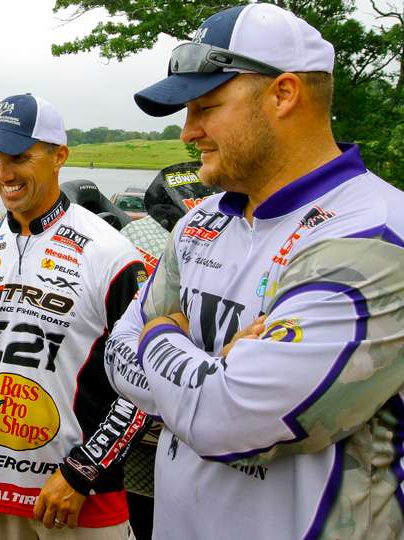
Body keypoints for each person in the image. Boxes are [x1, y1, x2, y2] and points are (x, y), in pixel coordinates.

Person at [105, 4, 404, 539]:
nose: (187, 132)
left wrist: (159, 335)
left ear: (283, 94)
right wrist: (206, 372)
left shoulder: (376, 237)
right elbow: (115, 356)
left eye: (206, 106)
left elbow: (228, 417)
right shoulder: (199, 223)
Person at [0, 93, 145, 539]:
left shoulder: (109, 252)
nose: (3, 173)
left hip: (79, 499)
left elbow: (143, 385)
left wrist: (83, 472)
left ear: (59, 156)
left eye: (19, 157)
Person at [114, 163, 220, 540]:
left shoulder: (135, 232)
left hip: (152, 422)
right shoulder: (145, 235)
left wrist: (160, 329)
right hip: (160, 428)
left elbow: (128, 337)